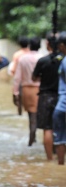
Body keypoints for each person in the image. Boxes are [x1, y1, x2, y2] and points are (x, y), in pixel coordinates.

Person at [32, 33, 63, 160]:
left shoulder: (43, 61)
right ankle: (61, 157)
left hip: (45, 97)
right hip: (61, 96)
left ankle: (49, 158)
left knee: (47, 128)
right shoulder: (63, 60)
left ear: (48, 44)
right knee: (62, 128)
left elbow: (34, 78)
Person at [13, 37, 42, 146]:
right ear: (40, 46)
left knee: (32, 117)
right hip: (41, 90)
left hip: (27, 90)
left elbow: (17, 78)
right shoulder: (42, 58)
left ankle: (31, 140)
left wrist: (15, 92)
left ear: (30, 46)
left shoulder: (23, 58)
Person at [53, 32, 66, 165]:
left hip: (62, 104)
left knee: (60, 138)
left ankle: (61, 165)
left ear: (62, 45)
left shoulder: (65, 61)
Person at [9, 37, 30, 115]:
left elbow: (13, 69)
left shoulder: (17, 54)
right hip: (30, 79)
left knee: (18, 98)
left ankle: (20, 113)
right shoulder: (30, 53)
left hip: (20, 79)